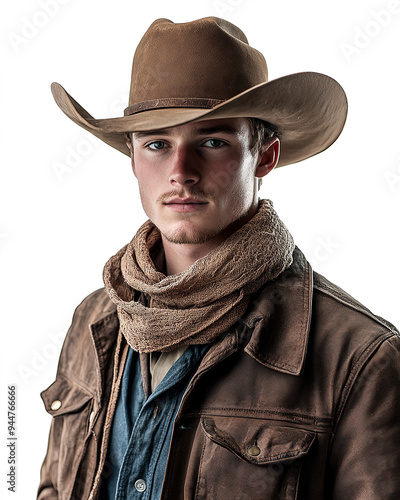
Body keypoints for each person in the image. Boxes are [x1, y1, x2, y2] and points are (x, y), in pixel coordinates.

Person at [37, 16, 400, 500]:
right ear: (132, 159)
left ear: (264, 157)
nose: (181, 172)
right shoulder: (94, 321)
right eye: (157, 144)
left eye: (212, 142)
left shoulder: (359, 359)